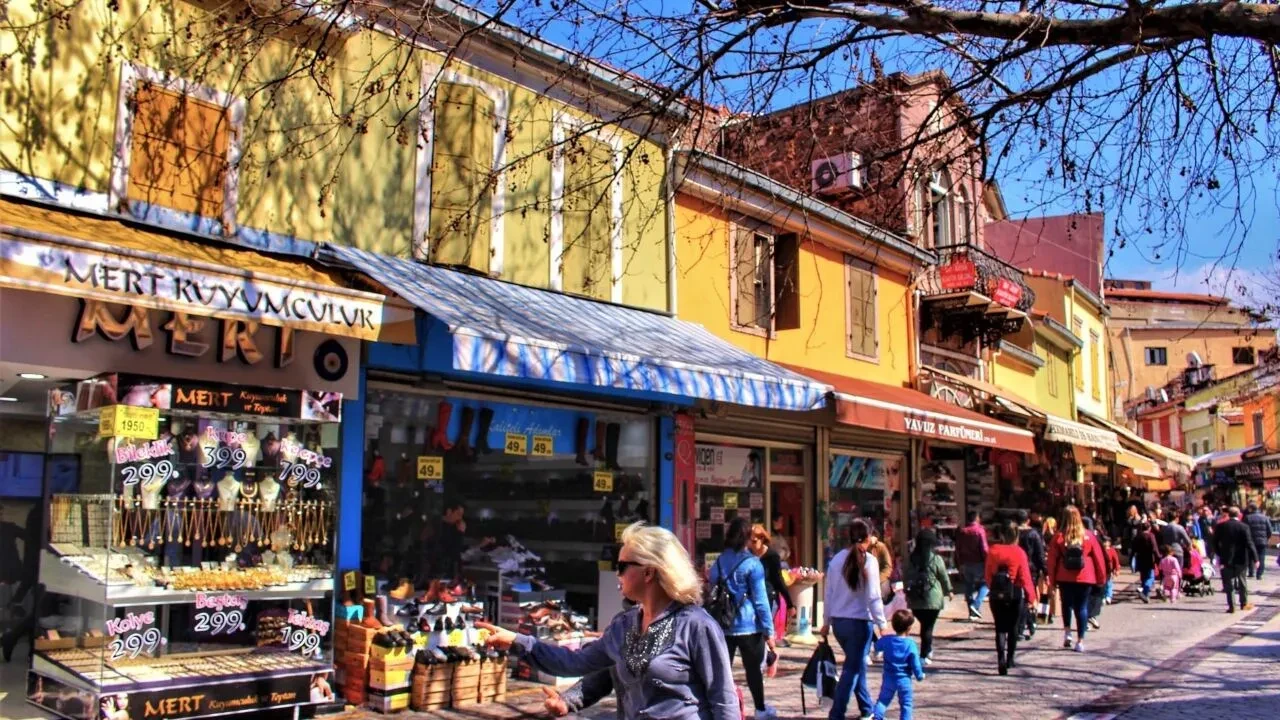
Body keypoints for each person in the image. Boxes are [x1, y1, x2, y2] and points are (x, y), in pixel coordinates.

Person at [478, 522, 737, 720]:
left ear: (649, 572)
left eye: (622, 566)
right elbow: (576, 662)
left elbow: (723, 700)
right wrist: (517, 641)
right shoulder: (623, 626)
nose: (616, 573)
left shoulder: (696, 625)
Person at [820, 518, 888, 720]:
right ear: (868, 537)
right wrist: (882, 624)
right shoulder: (870, 561)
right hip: (860, 623)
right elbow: (874, 596)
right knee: (852, 670)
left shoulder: (836, 560)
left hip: (839, 624)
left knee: (857, 666)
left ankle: (867, 709)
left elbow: (828, 593)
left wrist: (826, 621)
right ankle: (837, 713)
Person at [709, 517, 776, 719]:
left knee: (723, 672)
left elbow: (711, 586)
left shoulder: (719, 562)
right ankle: (760, 709)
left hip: (723, 624)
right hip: (749, 625)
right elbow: (761, 601)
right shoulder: (753, 564)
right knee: (753, 670)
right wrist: (769, 631)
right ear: (747, 538)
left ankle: (723, 710)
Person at [1046, 506, 1107, 653]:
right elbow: (1098, 559)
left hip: (1064, 576)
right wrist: (1101, 578)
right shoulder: (1088, 536)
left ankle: (1067, 632)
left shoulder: (1059, 537)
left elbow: (1052, 561)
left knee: (1066, 604)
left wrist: (1052, 581)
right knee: (1082, 607)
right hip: (1085, 576)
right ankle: (1080, 640)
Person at [984, 521, 1037, 675]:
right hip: (1015, 592)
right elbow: (1025, 577)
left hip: (997, 592)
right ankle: (1010, 658)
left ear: (1001, 535)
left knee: (999, 627)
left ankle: (1000, 658)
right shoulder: (1019, 552)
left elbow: (987, 574)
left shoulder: (993, 551)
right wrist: (1031, 596)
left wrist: (993, 587)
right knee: (1013, 627)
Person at [902, 529, 951, 666]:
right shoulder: (936, 559)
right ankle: (925, 653)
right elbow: (943, 577)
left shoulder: (911, 559)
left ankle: (927, 650)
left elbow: (906, 576)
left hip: (916, 598)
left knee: (924, 625)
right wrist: (949, 590)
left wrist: (906, 591)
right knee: (928, 626)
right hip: (933, 598)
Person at [871, 609, 925, 720]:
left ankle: (877, 716)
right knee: (906, 704)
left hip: (888, 677)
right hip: (904, 679)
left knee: (883, 700)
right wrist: (919, 675)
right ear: (909, 628)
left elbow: (876, 646)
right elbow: (915, 663)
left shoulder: (887, 640)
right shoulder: (910, 644)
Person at [748, 524, 790, 647]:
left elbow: (778, 580)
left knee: (765, 631)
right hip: (751, 599)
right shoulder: (748, 555)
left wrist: (790, 603)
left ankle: (766, 653)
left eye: (754, 541)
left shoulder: (772, 556)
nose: (751, 545)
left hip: (769, 598)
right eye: (749, 541)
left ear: (762, 539)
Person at [1213, 507, 1260, 613]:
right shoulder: (1244, 527)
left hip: (1226, 558)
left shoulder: (1221, 526)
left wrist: (1220, 553)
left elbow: (1215, 542)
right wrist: (1255, 558)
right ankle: (1243, 603)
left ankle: (1232, 606)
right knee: (1242, 581)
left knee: (1228, 582)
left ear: (1228, 514)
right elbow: (1249, 543)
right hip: (1241, 558)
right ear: (1239, 515)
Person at [1015, 510, 1045, 640]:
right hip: (1030, 569)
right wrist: (1044, 569)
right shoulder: (1033, 534)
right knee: (1027, 598)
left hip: (1015, 567)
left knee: (1021, 598)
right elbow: (1039, 554)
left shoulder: (1013, 532)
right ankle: (1025, 625)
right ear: (1028, 520)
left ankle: (1027, 624)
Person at [955, 511, 989, 620]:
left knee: (968, 586)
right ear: (977, 518)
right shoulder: (979, 530)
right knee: (986, 584)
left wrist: (959, 563)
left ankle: (972, 611)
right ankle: (976, 604)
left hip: (966, 563)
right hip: (979, 562)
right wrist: (988, 560)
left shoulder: (962, 531)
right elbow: (984, 548)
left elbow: (958, 549)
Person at [1131, 521, 1161, 603]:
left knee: (1144, 577)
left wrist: (1131, 559)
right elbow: (1154, 548)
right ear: (1149, 528)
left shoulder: (1138, 536)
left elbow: (1133, 549)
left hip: (1140, 558)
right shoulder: (1151, 536)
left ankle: (1146, 595)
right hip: (1149, 558)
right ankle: (1144, 592)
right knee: (1151, 577)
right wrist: (1158, 557)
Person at [1244, 504, 1272, 580]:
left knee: (1250, 556)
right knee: (1261, 557)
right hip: (1262, 541)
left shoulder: (1248, 518)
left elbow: (1245, 529)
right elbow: (1269, 530)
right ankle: (1259, 574)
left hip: (1251, 540)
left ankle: (1251, 572)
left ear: (1251, 509)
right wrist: (1266, 538)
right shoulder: (1265, 517)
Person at [1039, 516, 1059, 623]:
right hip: (1053, 567)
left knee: (1043, 593)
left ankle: (1042, 616)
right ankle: (1050, 615)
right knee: (1052, 593)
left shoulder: (1040, 536)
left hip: (1043, 566)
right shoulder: (1056, 537)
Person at [1102, 536, 1121, 605]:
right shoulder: (1101, 549)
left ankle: (1108, 596)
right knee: (1103, 584)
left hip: (1109, 570)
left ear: (1109, 543)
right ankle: (1103, 597)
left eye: (1106, 542)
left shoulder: (1111, 550)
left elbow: (1116, 560)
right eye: (1103, 542)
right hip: (1102, 570)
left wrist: (1117, 569)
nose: (1104, 543)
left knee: (1109, 584)